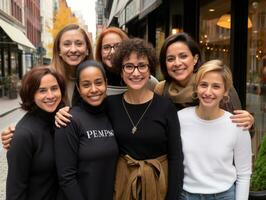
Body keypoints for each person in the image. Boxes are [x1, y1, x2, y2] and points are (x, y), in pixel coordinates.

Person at [108, 38, 183, 199]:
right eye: (129, 66)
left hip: (158, 186)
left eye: (142, 65)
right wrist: (64, 111)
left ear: (150, 70)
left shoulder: (166, 107)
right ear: (121, 71)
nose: (136, 72)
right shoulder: (110, 105)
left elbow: (176, 157)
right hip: (122, 186)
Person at [1, 23, 93, 149]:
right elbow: (34, 115)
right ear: (58, 50)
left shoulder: (96, 79)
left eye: (79, 43)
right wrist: (15, 134)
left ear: (87, 49)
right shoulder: (47, 78)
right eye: (67, 44)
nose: (73, 49)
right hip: (55, 153)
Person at [178, 59, 252, 199]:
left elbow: (244, 174)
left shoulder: (237, 124)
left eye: (216, 86)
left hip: (224, 196)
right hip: (186, 195)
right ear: (196, 87)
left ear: (225, 91)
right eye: (203, 85)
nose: (208, 92)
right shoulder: (180, 119)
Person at [154, 32, 254, 129]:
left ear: (195, 59)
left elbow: (239, 127)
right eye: (170, 59)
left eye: (183, 56)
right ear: (165, 64)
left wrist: (248, 121)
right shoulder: (161, 90)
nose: (177, 63)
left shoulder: (217, 85)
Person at [54, 60, 118, 200]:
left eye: (98, 82)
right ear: (78, 88)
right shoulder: (69, 120)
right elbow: (66, 178)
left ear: (106, 83)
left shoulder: (111, 114)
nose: (94, 89)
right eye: (86, 85)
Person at [6, 66, 65, 200]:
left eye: (54, 88)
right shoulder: (24, 134)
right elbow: (15, 191)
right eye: (42, 90)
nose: (50, 95)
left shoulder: (62, 120)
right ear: (31, 94)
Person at [95, 27, 158, 95]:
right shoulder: (95, 81)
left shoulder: (148, 81)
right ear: (100, 52)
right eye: (106, 47)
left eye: (117, 46)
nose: (112, 52)